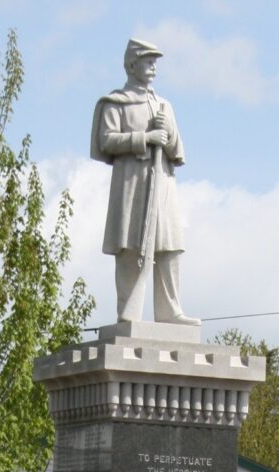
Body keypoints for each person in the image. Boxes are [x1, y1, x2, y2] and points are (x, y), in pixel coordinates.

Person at [91, 38, 199, 326]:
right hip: (132, 185)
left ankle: (170, 311)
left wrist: (168, 134)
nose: (153, 68)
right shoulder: (117, 103)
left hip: (162, 185)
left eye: (155, 63)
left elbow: (178, 152)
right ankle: (129, 313)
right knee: (130, 248)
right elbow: (106, 140)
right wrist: (145, 138)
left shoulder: (165, 106)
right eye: (147, 61)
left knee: (169, 246)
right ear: (131, 64)